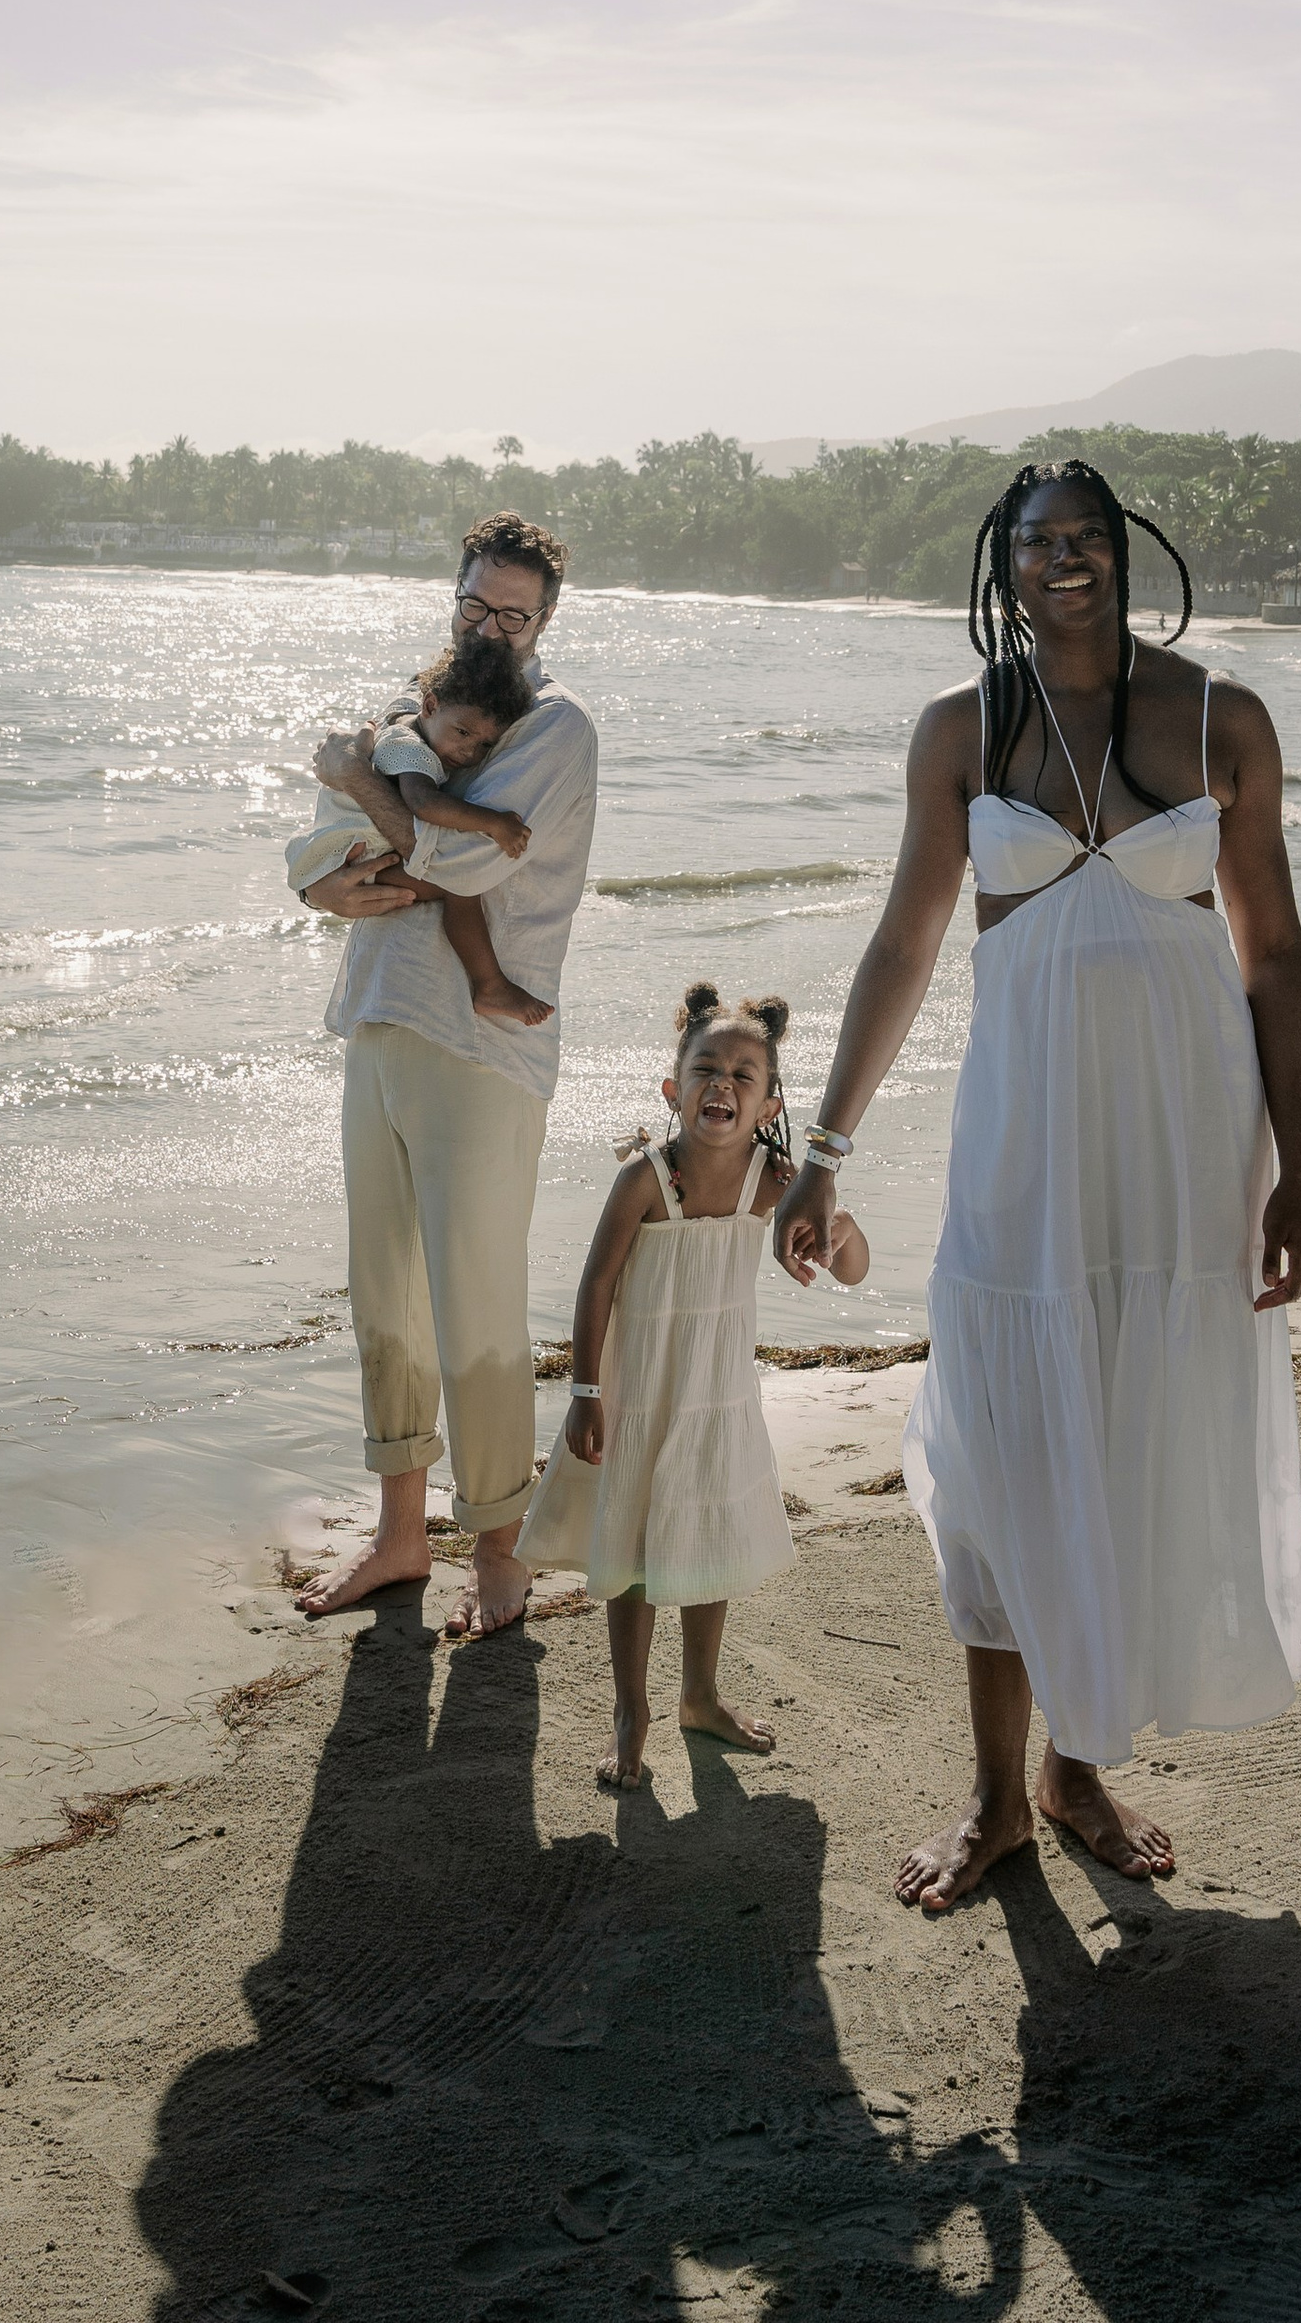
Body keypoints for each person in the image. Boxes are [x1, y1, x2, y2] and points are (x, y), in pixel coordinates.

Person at [775, 460, 1301, 1900]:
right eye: (1037, 543)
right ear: (1001, 567)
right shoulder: (960, 732)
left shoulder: (1222, 718)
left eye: (1085, 538)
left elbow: (1273, 955)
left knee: (1133, 1435)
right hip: (1025, 1136)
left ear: (1124, 553)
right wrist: (820, 1152)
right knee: (1006, 1447)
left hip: (1187, 1138)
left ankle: (1078, 1767)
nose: (1063, 560)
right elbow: (904, 945)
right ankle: (995, 1799)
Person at [293, 512, 600, 1641]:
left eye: (513, 613)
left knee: (475, 1304)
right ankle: (400, 1534)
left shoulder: (556, 722)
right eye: (475, 605)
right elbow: (332, 836)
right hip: (378, 1014)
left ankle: (502, 1550)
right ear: (455, 596)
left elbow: (462, 855)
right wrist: (323, 886)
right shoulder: (417, 699)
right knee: (383, 1293)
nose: (491, 627)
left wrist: (365, 795)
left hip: (484, 1052)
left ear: (545, 619)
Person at [520, 984, 869, 1790]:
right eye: (707, 1068)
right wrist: (583, 1392)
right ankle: (630, 1709)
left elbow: (844, 1269)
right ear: (673, 1088)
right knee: (636, 1552)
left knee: (710, 1545)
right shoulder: (649, 1178)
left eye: (745, 1076)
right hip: (637, 1397)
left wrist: (845, 1234)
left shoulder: (773, 1182)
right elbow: (597, 1282)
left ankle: (701, 1696)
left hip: (719, 1399)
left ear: (770, 1103)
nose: (724, 1084)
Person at [284, 634, 553, 1030]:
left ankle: (488, 984)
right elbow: (423, 803)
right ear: (429, 706)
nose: (468, 752)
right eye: (462, 733)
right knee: (458, 881)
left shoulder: (410, 726)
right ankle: (490, 985)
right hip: (354, 859)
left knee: (456, 878)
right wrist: (493, 823)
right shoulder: (407, 747)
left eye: (484, 745)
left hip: (351, 855)